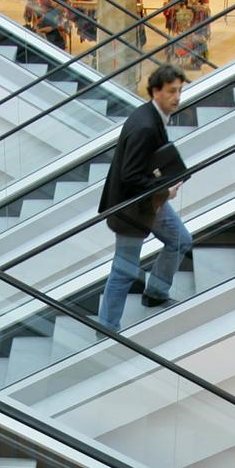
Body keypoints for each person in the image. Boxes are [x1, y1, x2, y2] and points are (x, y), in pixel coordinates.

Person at [96, 64, 191, 329]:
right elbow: (129, 176)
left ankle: (156, 293)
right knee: (124, 270)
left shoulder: (152, 116)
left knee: (180, 240)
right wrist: (164, 190)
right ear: (156, 91)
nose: (177, 97)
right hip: (132, 209)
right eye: (172, 91)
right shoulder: (146, 126)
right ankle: (107, 328)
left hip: (149, 202)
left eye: (180, 91)